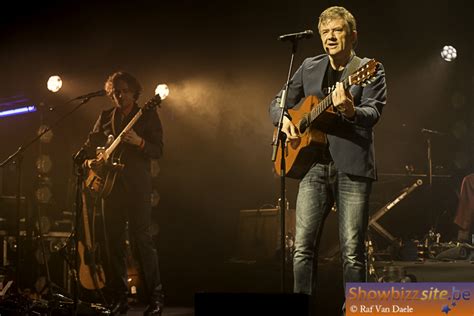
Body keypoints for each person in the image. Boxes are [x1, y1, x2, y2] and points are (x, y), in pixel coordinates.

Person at [269, 6, 387, 314]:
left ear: (353, 36)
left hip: (352, 166)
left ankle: (356, 310)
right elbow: (278, 101)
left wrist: (350, 110)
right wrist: (283, 121)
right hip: (312, 165)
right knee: (301, 249)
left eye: (337, 30)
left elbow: (372, 113)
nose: (330, 37)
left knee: (352, 251)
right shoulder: (308, 66)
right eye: (325, 32)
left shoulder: (368, 68)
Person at [82, 71, 164, 316]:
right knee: (113, 243)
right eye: (114, 92)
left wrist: (139, 142)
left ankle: (156, 298)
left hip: (137, 187)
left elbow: (158, 150)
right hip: (110, 186)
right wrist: (92, 158)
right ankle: (120, 298)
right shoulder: (105, 116)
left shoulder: (147, 115)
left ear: (134, 92)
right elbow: (91, 144)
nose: (118, 95)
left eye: (123, 91)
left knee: (142, 241)